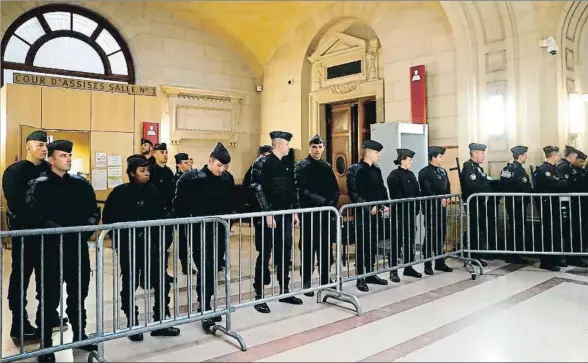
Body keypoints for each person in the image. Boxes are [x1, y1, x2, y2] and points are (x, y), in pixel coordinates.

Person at [25, 140, 100, 361]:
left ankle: (80, 335)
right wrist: (55, 231)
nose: (67, 158)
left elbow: (93, 211)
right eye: (62, 155)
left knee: (79, 294)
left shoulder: (80, 184)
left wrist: (83, 231)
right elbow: (32, 214)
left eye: (69, 155)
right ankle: (46, 345)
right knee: (48, 297)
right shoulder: (39, 184)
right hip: (50, 249)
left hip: (76, 248)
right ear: (51, 160)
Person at [103, 155, 180, 341]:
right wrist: (119, 241)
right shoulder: (119, 193)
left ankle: (161, 320)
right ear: (131, 173)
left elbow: (164, 216)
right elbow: (109, 219)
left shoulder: (154, 191)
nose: (146, 174)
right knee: (129, 284)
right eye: (142, 171)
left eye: (147, 170)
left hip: (153, 247)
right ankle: (133, 323)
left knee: (161, 282)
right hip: (129, 247)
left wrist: (164, 241)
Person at [173, 143, 235, 329]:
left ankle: (208, 303)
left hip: (219, 230)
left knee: (213, 267)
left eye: (225, 166)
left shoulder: (227, 179)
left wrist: (228, 225)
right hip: (199, 230)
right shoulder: (192, 178)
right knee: (205, 267)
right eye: (219, 165)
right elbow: (179, 205)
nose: (222, 169)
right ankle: (204, 305)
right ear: (210, 161)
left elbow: (230, 204)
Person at [2, 130, 56, 342]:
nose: (44, 149)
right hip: (25, 235)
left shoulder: (49, 170)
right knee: (21, 279)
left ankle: (48, 316)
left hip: (49, 236)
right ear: (28, 147)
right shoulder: (15, 171)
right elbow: (15, 203)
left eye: (46, 145)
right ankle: (18, 322)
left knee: (48, 279)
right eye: (39, 145)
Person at [250, 131, 302, 314]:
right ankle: (259, 296)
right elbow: (257, 188)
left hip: (285, 215)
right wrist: (267, 213)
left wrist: (294, 211)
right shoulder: (262, 162)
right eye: (287, 144)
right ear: (280, 145)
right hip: (269, 216)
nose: (289, 147)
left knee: (285, 252)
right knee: (265, 254)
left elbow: (292, 188)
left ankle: (284, 290)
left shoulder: (287, 164)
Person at [294, 135, 339, 296]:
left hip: (325, 215)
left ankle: (325, 279)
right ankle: (306, 282)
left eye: (320, 147)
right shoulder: (302, 166)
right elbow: (301, 189)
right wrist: (321, 202)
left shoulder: (326, 166)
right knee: (308, 248)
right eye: (314, 147)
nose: (317, 150)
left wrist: (331, 202)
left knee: (325, 248)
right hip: (310, 214)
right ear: (309, 148)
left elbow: (335, 188)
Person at [346, 140, 390, 292]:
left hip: (376, 213)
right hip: (363, 214)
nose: (379, 156)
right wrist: (368, 206)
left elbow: (382, 189)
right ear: (369, 153)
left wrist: (386, 204)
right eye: (377, 153)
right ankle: (360, 277)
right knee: (362, 244)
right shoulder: (356, 170)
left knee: (373, 243)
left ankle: (370, 273)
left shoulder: (376, 169)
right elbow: (354, 192)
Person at [386, 149, 422, 282]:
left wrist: (416, 208)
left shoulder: (411, 175)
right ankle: (393, 270)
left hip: (410, 213)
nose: (411, 162)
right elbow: (396, 195)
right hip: (399, 214)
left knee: (409, 240)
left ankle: (408, 266)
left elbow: (417, 192)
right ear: (402, 160)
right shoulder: (394, 176)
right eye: (409, 160)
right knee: (397, 242)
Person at [418, 146, 454, 276]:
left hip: (442, 208)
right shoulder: (424, 172)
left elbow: (447, 186)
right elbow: (427, 190)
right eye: (440, 156)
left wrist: (447, 197)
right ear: (433, 157)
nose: (442, 158)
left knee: (441, 234)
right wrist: (439, 199)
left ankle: (439, 262)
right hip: (431, 208)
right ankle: (427, 264)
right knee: (431, 235)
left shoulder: (442, 171)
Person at [460, 143, 496, 267]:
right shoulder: (469, 167)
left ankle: (477, 254)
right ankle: (473, 255)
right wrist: (486, 188)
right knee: (474, 229)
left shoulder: (478, 168)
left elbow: (484, 180)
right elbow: (473, 186)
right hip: (473, 203)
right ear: (474, 153)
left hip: (478, 202)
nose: (483, 156)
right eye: (481, 153)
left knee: (478, 229)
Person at [533, 146, 567, 271]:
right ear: (553, 155)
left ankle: (555, 258)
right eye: (557, 155)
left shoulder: (553, 169)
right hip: (547, 206)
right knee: (548, 233)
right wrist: (561, 182)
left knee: (556, 232)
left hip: (554, 205)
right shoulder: (544, 170)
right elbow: (555, 185)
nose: (559, 157)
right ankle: (546, 261)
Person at [499, 146, 533, 264]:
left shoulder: (508, 169)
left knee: (515, 227)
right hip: (517, 203)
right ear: (520, 156)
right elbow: (524, 187)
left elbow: (502, 184)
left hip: (513, 202)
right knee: (517, 228)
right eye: (525, 155)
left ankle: (514, 253)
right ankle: (513, 254)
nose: (526, 157)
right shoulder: (518, 170)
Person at [555, 145, 587, 267]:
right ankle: (572, 257)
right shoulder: (564, 167)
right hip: (570, 205)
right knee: (572, 231)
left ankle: (576, 255)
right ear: (572, 155)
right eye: (576, 157)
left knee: (577, 231)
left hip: (577, 204)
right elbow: (565, 185)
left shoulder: (572, 168)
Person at [149, 143, 175, 283]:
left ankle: (162, 273)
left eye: (166, 152)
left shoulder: (168, 172)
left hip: (167, 215)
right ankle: (150, 275)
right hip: (155, 215)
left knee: (165, 245)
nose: (165, 154)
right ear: (154, 154)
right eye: (161, 152)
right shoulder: (151, 171)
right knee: (153, 247)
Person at [173, 152, 195, 275]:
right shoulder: (177, 178)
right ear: (179, 165)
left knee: (192, 240)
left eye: (189, 162)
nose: (188, 165)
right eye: (185, 163)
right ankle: (185, 265)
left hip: (192, 213)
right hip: (181, 214)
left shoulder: (192, 177)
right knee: (183, 241)